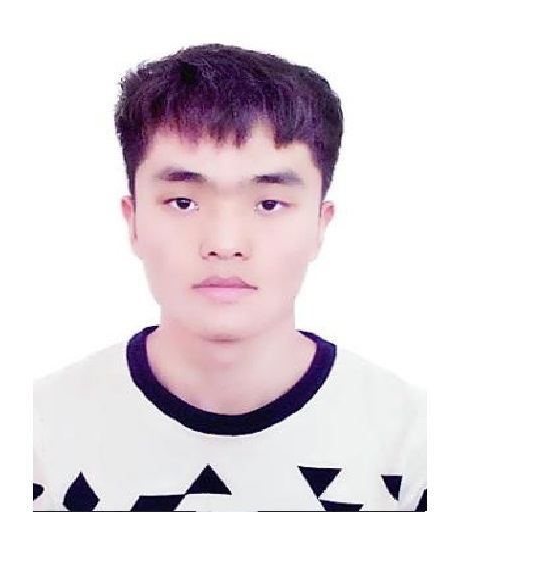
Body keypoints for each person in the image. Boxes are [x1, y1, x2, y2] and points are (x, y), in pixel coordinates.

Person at [33, 43, 427, 511]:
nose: (224, 243)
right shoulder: (38, 438)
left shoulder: (414, 446)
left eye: (269, 204)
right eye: (183, 202)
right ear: (133, 220)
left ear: (320, 226)